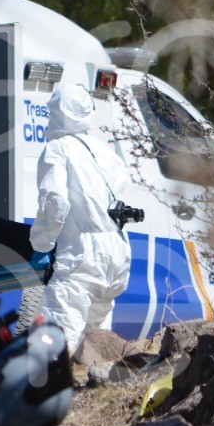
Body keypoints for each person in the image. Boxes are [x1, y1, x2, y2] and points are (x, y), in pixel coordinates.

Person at [28, 83, 133, 362]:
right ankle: (95, 384)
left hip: (82, 256)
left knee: (56, 342)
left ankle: (54, 387)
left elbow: (55, 202)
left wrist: (41, 245)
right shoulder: (105, 152)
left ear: (56, 111)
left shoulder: (58, 148)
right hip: (116, 254)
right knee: (94, 344)